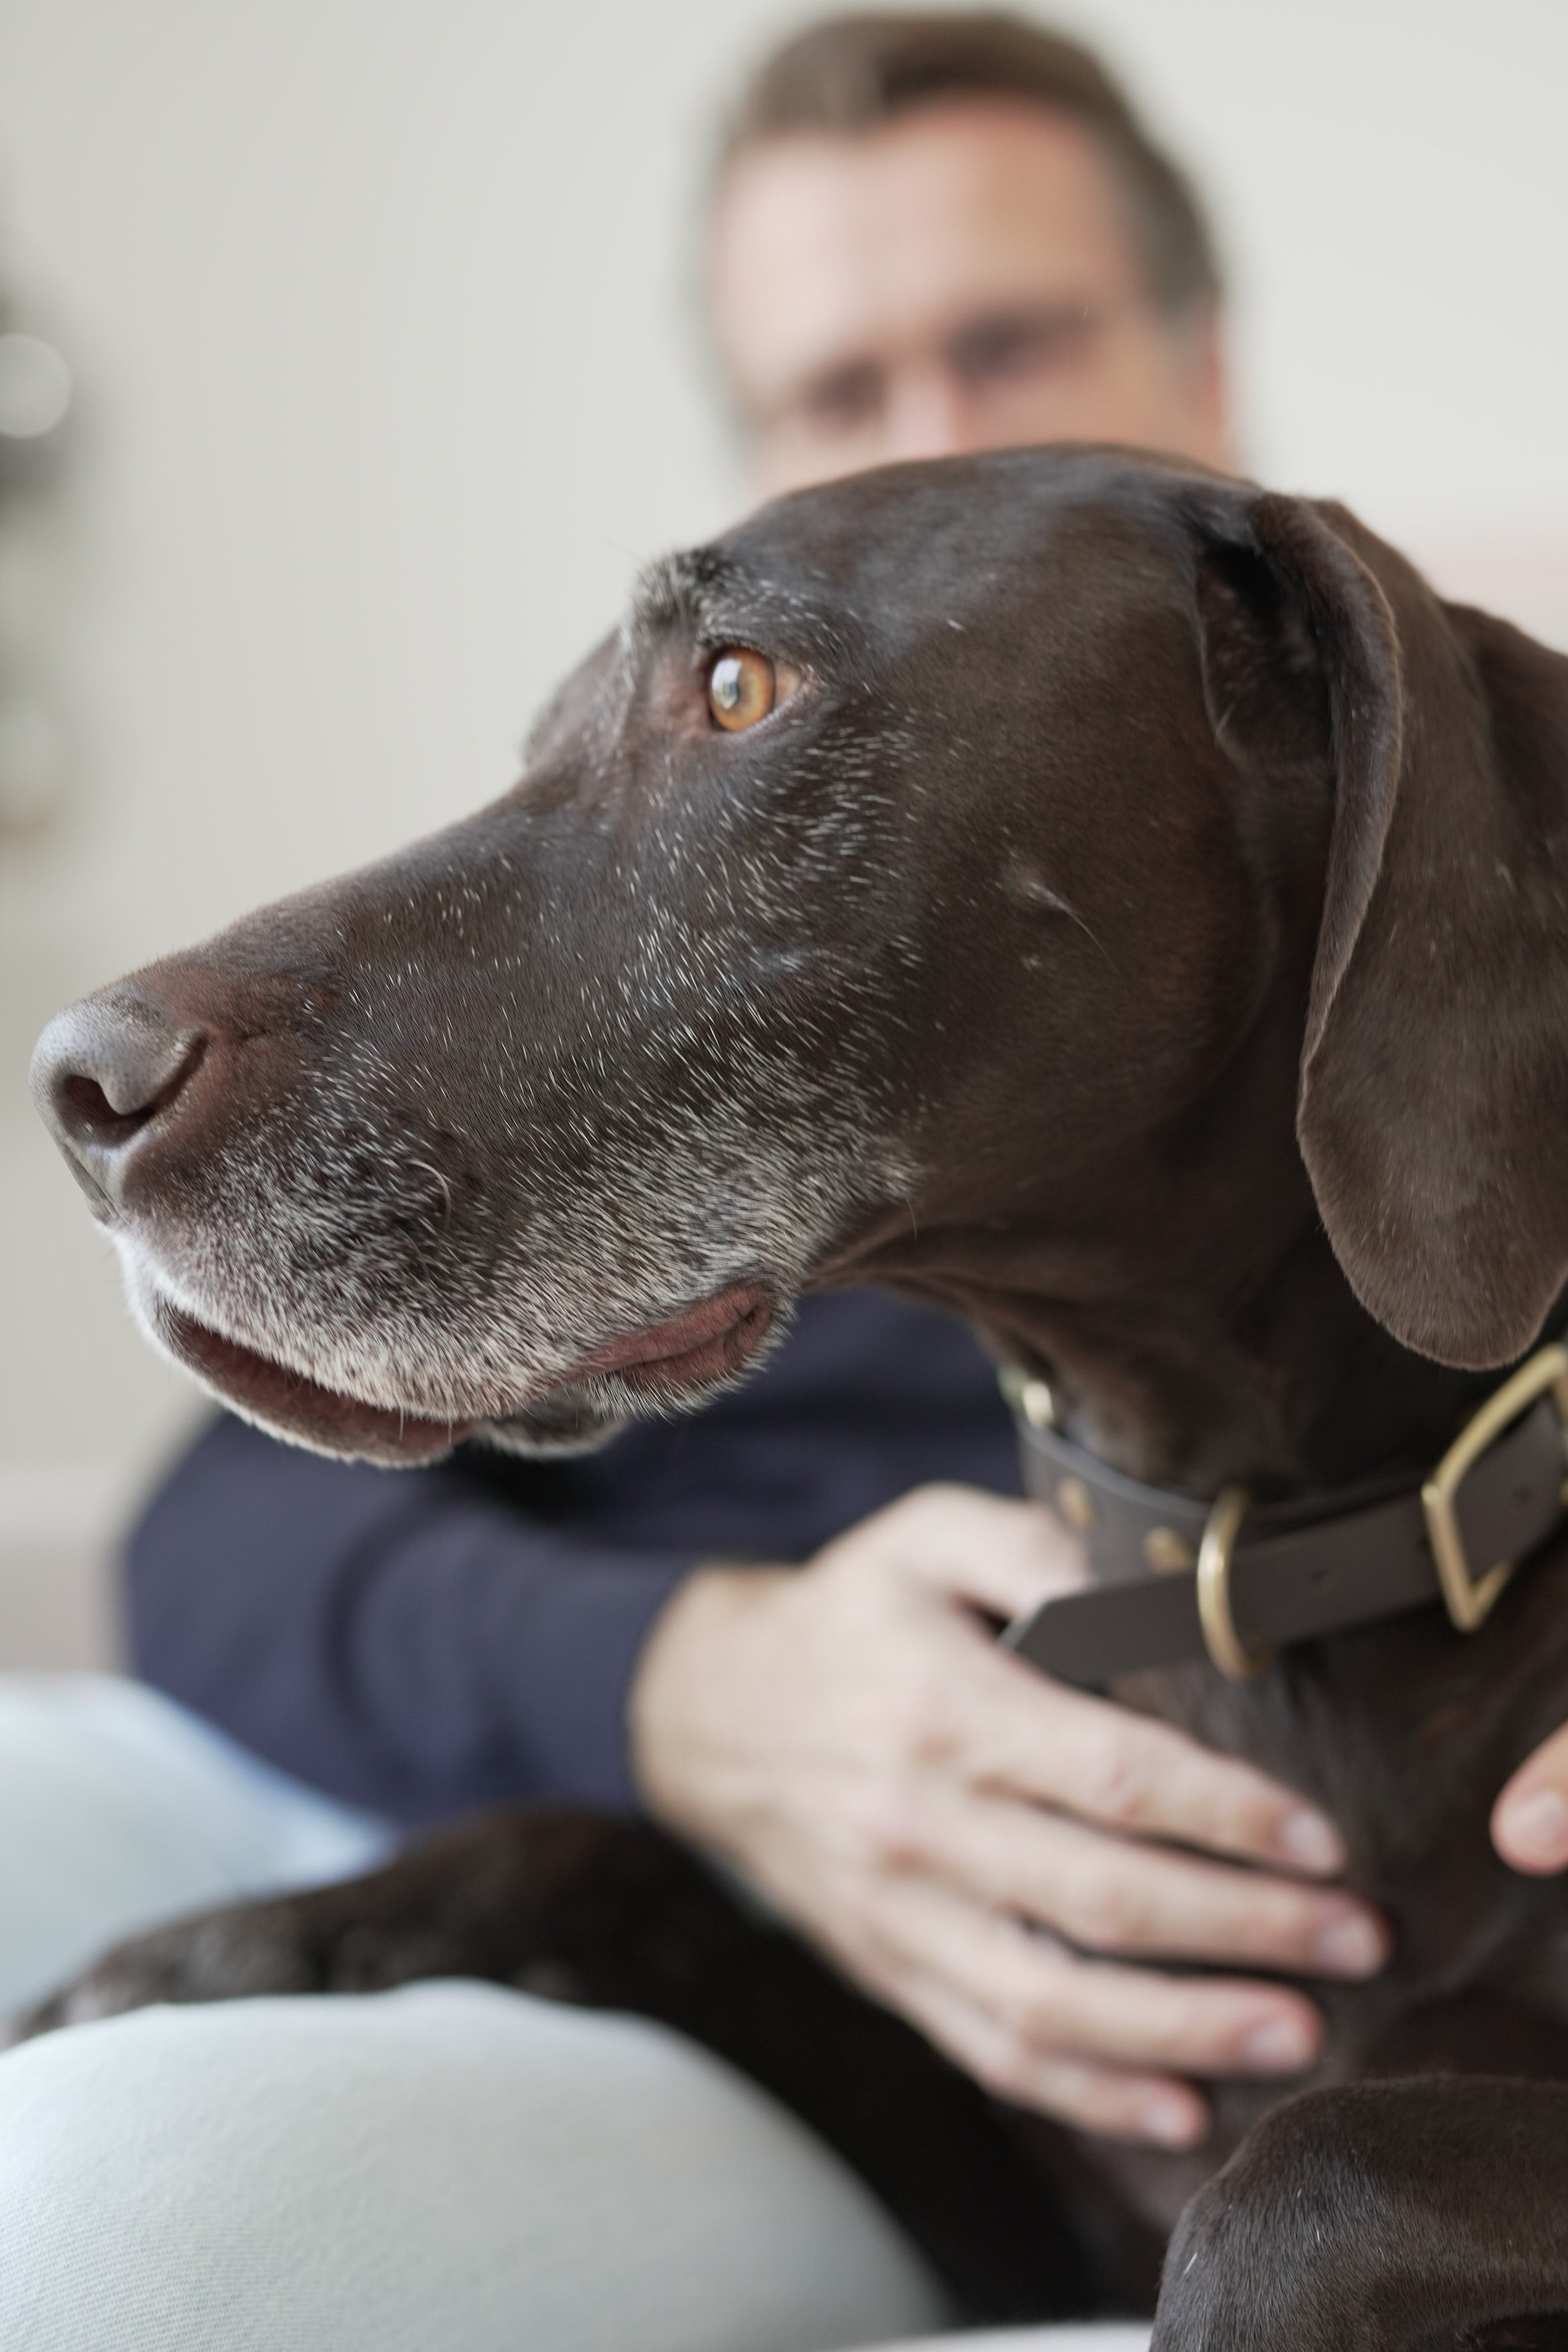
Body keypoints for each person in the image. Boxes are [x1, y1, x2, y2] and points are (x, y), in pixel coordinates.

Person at [3, 15, 1566, 2351]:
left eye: (1013, 340)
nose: (929, 440)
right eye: (839, 393)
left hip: (1141, 1992)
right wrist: (690, 1696)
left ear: (1200, 366)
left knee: (109, 2220)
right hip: (627, 1818)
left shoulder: (1399, 830)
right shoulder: (743, 1093)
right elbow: (211, 1536)